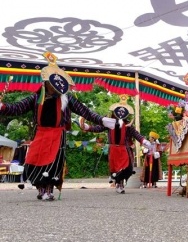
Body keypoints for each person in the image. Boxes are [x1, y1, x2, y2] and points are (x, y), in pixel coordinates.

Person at [0, 52, 116, 201]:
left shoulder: (66, 98)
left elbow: (84, 111)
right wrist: (3, 107)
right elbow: (17, 108)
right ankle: (41, 189)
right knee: (35, 161)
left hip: (58, 135)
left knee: (53, 163)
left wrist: (102, 120)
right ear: (46, 82)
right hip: (40, 134)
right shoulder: (36, 97)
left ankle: (49, 189)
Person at [80, 94, 151, 194]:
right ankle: (118, 184)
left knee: (127, 168)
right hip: (113, 150)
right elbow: (98, 128)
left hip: (124, 149)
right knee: (116, 169)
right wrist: (87, 127)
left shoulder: (128, 125)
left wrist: (144, 141)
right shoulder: (109, 122)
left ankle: (120, 183)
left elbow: (136, 134)